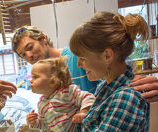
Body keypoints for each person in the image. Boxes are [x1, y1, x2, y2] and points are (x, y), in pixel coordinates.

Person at [12, 25, 158, 99]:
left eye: (30, 47)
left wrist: (142, 86)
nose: (29, 56)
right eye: (23, 54)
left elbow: (119, 82)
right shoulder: (45, 75)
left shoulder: (77, 56)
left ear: (43, 38)